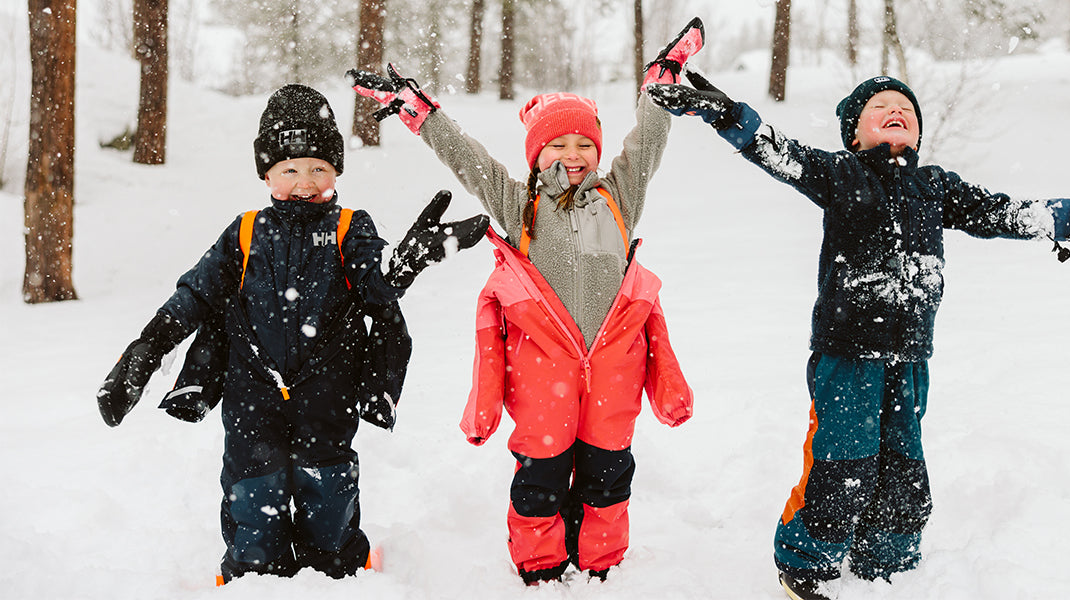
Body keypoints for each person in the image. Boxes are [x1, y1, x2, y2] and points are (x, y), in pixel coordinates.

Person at [646, 73, 1070, 599]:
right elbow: (774, 150)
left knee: (903, 462)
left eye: (907, 109)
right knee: (843, 459)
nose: (897, 111)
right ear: (854, 133)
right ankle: (806, 561)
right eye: (881, 107)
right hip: (847, 353)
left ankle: (886, 557)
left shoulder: (935, 187)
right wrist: (721, 111)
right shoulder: (839, 174)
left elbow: (1005, 213)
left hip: (910, 355)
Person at [347, 18, 706, 584]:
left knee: (608, 473)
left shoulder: (619, 198)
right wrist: (421, 113)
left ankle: (600, 561)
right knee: (540, 476)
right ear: (536, 154)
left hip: (613, 370)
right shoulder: (522, 209)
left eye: (584, 143)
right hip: (542, 376)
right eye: (558, 144)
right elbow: (470, 161)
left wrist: (660, 84)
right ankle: (540, 563)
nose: (573, 153)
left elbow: (648, 142)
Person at [95, 84, 488, 584]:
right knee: (253, 499)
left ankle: (343, 571)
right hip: (251, 397)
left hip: (328, 395)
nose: (305, 182)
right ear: (266, 174)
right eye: (289, 169)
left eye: (318, 168)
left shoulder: (350, 228)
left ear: (337, 172)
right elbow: (192, 298)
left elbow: (379, 286)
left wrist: (410, 260)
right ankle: (250, 577)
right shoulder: (243, 234)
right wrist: (143, 355)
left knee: (329, 498)